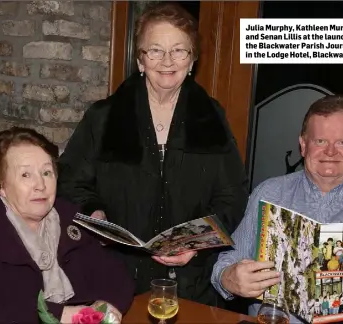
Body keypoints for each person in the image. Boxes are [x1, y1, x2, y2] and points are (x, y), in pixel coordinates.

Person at [57, 2, 248, 307]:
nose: (167, 61)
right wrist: (96, 215)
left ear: (192, 59)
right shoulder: (104, 117)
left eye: (179, 50)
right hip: (115, 276)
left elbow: (233, 196)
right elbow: (70, 182)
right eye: (155, 50)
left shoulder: (211, 117)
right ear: (140, 60)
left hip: (190, 284)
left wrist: (195, 242)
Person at [211, 95, 343, 323]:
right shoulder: (269, 193)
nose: (330, 152)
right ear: (303, 145)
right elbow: (230, 258)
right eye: (320, 141)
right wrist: (227, 277)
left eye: (342, 142)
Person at [0, 127, 135, 324]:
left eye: (46, 172)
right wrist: (62, 315)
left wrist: (107, 305)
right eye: (25, 175)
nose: (40, 185)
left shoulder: (71, 219)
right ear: (1, 185)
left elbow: (117, 276)